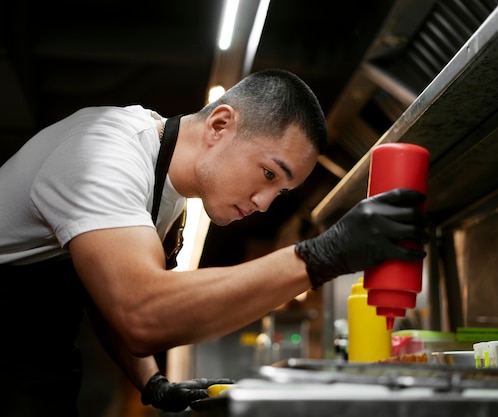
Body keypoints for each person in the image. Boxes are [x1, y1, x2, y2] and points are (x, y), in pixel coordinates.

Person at [0, 68, 429, 415]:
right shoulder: (103, 153)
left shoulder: (171, 199)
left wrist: (153, 383)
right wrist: (320, 257)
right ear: (221, 124)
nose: (264, 204)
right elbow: (140, 312)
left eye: (279, 192)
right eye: (268, 174)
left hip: (37, 367)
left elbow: (104, 298)